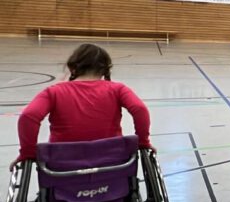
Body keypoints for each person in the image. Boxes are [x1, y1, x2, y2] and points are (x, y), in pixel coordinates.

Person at [14, 44, 152, 171]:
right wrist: (143, 142)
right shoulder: (118, 89)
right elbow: (140, 109)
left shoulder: (54, 91)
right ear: (105, 69)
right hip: (112, 163)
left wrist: (28, 153)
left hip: (63, 164)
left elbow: (28, 116)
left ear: (72, 68)